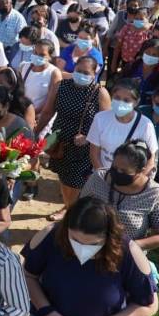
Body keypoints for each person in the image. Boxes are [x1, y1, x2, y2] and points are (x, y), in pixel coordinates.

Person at [21, 197, 159, 316]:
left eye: (93, 244)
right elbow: (28, 275)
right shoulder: (50, 235)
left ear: (109, 237)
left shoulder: (128, 252)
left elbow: (149, 304)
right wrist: (47, 312)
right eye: (75, 240)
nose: (82, 249)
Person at [38, 56, 111, 220]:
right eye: (78, 71)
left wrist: (88, 137)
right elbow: (48, 111)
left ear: (94, 74)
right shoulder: (61, 86)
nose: (81, 75)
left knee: (76, 181)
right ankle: (67, 207)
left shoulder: (100, 93)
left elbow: (106, 124)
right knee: (63, 177)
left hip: (84, 146)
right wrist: (37, 132)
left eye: (86, 72)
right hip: (60, 142)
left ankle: (71, 213)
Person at [81, 140, 159, 250]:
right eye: (114, 168)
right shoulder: (98, 178)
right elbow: (79, 209)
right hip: (89, 247)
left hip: (125, 255)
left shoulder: (155, 195)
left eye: (123, 171)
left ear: (141, 171)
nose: (117, 173)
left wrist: (129, 247)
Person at [87, 80, 159, 173]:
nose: (120, 102)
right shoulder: (100, 118)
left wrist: (135, 183)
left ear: (136, 102)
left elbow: (151, 158)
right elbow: (94, 153)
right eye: (117, 98)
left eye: (126, 100)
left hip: (130, 182)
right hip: (103, 177)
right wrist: (104, 177)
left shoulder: (145, 125)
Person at [123, 39, 159, 105]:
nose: (150, 56)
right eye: (147, 52)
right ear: (143, 52)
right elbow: (121, 85)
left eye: (154, 54)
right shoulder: (131, 67)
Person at [111, 7, 151, 77]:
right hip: (125, 62)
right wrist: (114, 63)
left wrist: (147, 27)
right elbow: (118, 47)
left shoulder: (149, 32)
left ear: (147, 19)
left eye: (141, 19)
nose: (138, 20)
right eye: (136, 18)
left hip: (140, 65)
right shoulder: (127, 28)